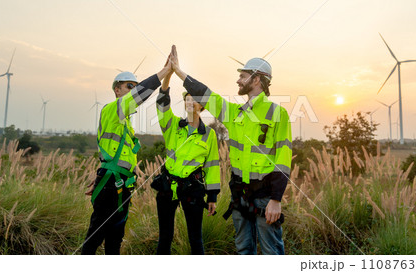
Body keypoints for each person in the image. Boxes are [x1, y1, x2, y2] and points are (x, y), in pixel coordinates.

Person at [169, 45, 292, 255]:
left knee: (272, 251)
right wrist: (179, 72)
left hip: (265, 197)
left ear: (256, 79)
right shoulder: (234, 112)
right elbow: (205, 94)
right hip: (239, 195)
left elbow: (283, 159)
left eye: (242, 76)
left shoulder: (277, 113)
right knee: (243, 249)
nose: (238, 80)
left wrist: (276, 200)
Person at [81, 56, 172, 255]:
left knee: (115, 239)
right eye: (129, 86)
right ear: (117, 89)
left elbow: (110, 152)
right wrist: (163, 73)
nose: (133, 90)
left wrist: (101, 173)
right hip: (111, 185)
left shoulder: (125, 123)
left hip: (119, 185)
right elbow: (139, 96)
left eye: (134, 86)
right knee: (94, 238)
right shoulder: (112, 109)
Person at [152, 58, 221, 255]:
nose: (190, 102)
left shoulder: (209, 135)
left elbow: (213, 166)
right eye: (187, 99)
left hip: (193, 190)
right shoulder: (172, 126)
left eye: (194, 99)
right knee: (165, 236)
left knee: (195, 238)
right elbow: (162, 103)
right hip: (168, 187)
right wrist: (168, 75)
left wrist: (213, 196)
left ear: (202, 106)